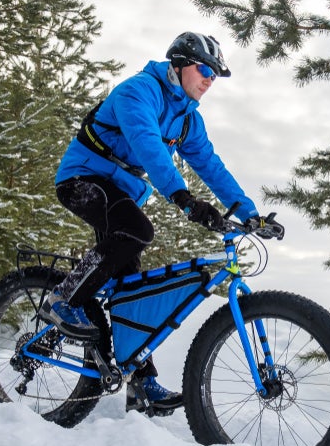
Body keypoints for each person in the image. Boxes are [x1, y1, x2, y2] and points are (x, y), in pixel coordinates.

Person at [38, 32, 282, 415]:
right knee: (137, 231)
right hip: (82, 181)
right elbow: (148, 145)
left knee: (130, 289)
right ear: (179, 64)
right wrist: (183, 198)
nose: (209, 80)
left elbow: (211, 166)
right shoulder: (138, 92)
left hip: (120, 195)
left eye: (215, 75)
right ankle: (63, 298)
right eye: (204, 69)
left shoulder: (188, 120)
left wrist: (249, 213)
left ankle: (141, 384)